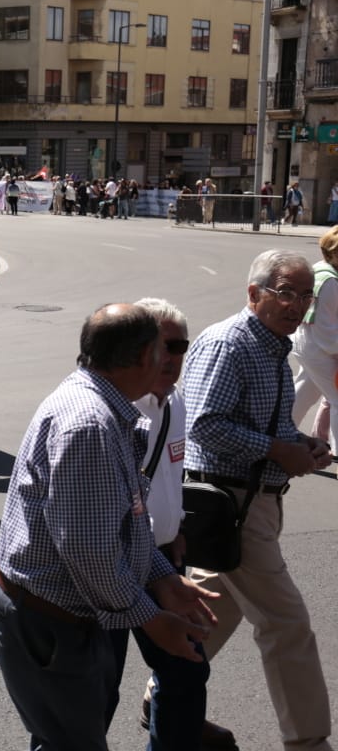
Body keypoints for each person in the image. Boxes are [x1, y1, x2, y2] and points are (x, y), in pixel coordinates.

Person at [0, 303, 219, 751]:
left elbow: (126, 520)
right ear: (139, 359)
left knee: (68, 737)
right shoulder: (90, 424)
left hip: (60, 611)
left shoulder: (103, 405)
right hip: (49, 618)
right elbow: (90, 552)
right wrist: (151, 618)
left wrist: (163, 577)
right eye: (163, 350)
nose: (170, 362)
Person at [183, 249, 334, 750]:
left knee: (211, 612)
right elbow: (204, 424)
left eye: (305, 296)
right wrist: (276, 449)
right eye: (285, 292)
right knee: (287, 624)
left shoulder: (272, 345)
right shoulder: (230, 344)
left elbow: (260, 422)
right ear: (254, 294)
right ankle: (308, 742)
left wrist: (300, 442)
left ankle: (165, 700)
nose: (297, 306)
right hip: (232, 505)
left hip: (255, 502)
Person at [130, 298, 235, 750]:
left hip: (163, 556)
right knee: (96, 682)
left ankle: (177, 732)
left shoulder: (177, 402)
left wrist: (177, 529)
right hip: (116, 560)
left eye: (178, 346)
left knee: (187, 662)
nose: (168, 357)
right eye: (158, 346)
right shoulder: (119, 410)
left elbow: (173, 473)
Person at [291, 227, 338, 451]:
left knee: (303, 393)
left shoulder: (320, 270)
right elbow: (326, 330)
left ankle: (279, 435)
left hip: (307, 344)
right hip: (319, 348)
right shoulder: (331, 282)